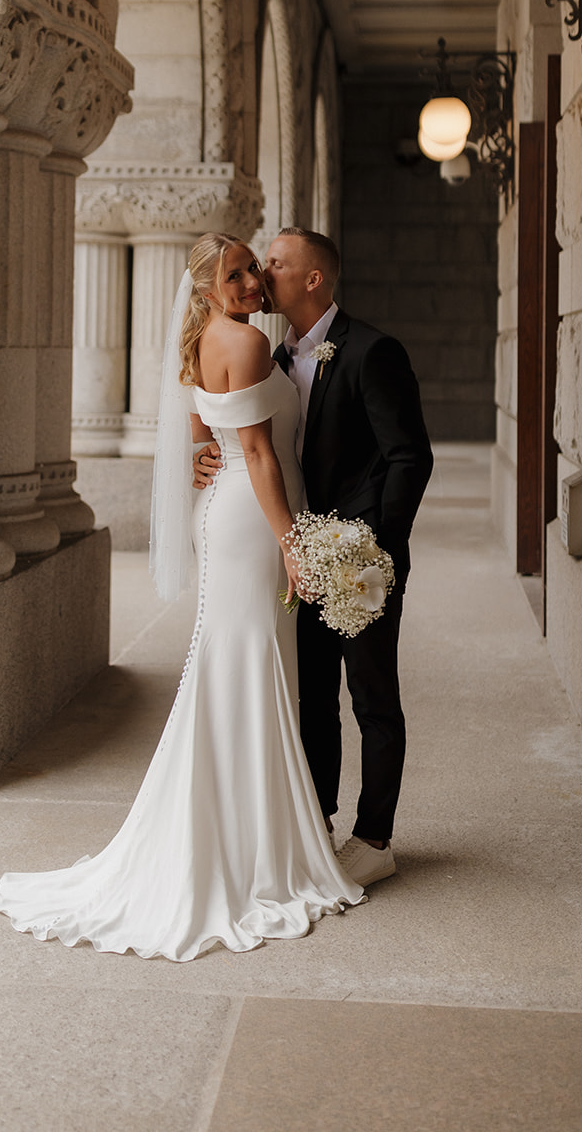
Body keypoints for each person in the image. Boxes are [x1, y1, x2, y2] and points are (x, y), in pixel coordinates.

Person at [0, 232, 363, 961]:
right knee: (248, 664)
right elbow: (256, 453)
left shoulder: (206, 343)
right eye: (234, 276)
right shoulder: (248, 345)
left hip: (227, 512)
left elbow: (206, 437)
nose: (251, 283)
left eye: (252, 269)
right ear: (205, 290)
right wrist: (292, 541)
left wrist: (212, 461)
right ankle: (250, 847)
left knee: (237, 666)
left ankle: (241, 832)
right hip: (253, 523)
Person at [195, 227, 433, 887]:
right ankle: (317, 822)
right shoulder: (268, 353)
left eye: (273, 264)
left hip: (356, 561)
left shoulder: (373, 352)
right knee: (312, 699)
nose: (261, 275)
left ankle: (376, 837)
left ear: (312, 280)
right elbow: (250, 435)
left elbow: (408, 457)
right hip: (295, 554)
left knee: (372, 699)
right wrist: (208, 454)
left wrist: (371, 550)